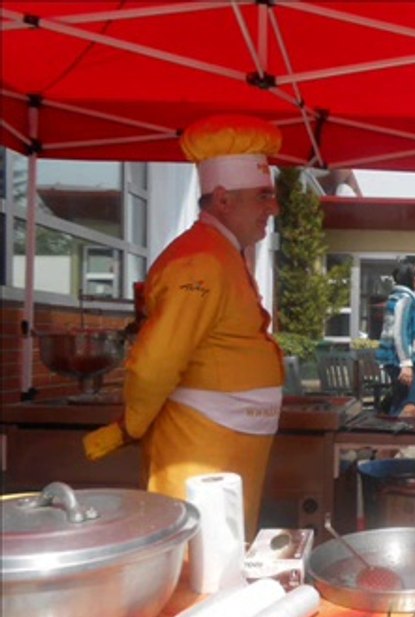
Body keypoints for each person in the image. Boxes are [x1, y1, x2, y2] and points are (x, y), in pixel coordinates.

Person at [82, 114, 286, 539]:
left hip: (223, 442)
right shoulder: (200, 261)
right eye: (264, 196)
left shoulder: (221, 254)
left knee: (220, 550)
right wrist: (131, 426)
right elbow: (155, 363)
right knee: (197, 553)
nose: (273, 208)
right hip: (200, 444)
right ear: (224, 199)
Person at [376, 257, 415, 417]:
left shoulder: (398, 297)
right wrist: (406, 364)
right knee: (411, 405)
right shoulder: (405, 299)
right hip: (400, 361)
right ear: (407, 274)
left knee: (400, 402)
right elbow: (399, 332)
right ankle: (397, 430)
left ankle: (389, 426)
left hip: (396, 360)